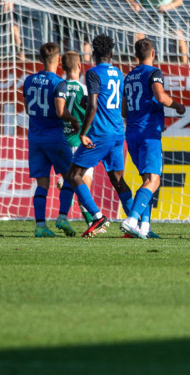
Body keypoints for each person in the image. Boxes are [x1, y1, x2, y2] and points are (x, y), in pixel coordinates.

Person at [65, 34, 134, 238]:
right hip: (117, 133)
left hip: (100, 134)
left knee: (74, 175)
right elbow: (118, 104)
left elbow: (94, 106)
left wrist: (83, 132)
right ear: (111, 54)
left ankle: (96, 216)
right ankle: (133, 221)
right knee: (118, 179)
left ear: (94, 54)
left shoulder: (93, 73)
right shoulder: (119, 73)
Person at [120, 38, 186, 239]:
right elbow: (160, 97)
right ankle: (131, 220)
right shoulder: (153, 73)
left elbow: (124, 110)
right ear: (153, 54)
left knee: (146, 180)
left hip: (132, 133)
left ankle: (145, 227)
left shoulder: (129, 76)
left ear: (135, 56)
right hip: (148, 133)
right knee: (153, 181)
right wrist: (177, 106)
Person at [22, 42, 81, 237]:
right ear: (57, 59)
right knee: (71, 178)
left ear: (40, 59)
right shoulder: (58, 82)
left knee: (42, 184)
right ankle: (62, 217)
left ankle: (40, 226)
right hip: (55, 137)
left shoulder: (29, 81)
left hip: (35, 137)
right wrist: (73, 120)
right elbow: (60, 111)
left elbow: (27, 107)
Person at [57, 50, 96, 227]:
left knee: (70, 180)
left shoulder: (59, 87)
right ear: (80, 66)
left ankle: (63, 217)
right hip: (78, 141)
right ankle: (92, 222)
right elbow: (92, 113)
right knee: (83, 183)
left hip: (61, 141)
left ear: (62, 67)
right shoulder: (84, 89)